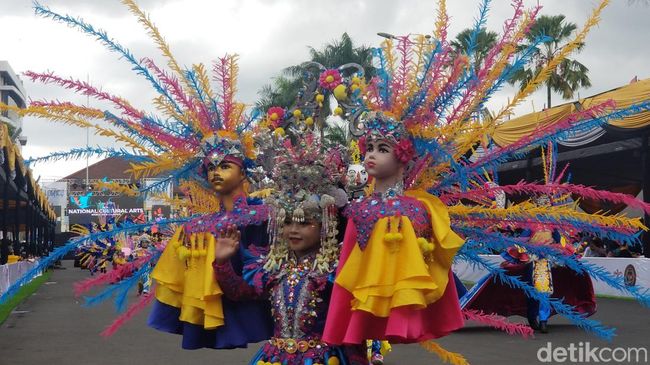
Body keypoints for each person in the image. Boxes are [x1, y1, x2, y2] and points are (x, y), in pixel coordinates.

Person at [213, 131, 367, 364]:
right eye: (286, 222)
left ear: (325, 225)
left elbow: (354, 321)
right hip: (275, 358)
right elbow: (239, 293)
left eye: (304, 223)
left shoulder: (337, 267)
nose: (293, 230)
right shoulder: (272, 265)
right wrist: (222, 262)